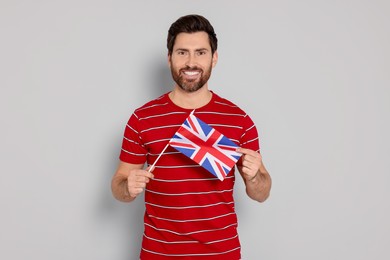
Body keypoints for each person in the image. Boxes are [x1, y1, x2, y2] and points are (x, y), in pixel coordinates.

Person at [111, 14, 272, 259]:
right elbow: (119, 186)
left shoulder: (239, 120)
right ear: (169, 58)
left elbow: (261, 193)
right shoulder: (142, 118)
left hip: (221, 253)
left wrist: (254, 175)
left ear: (214, 58)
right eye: (182, 52)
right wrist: (128, 187)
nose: (191, 62)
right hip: (159, 253)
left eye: (200, 52)